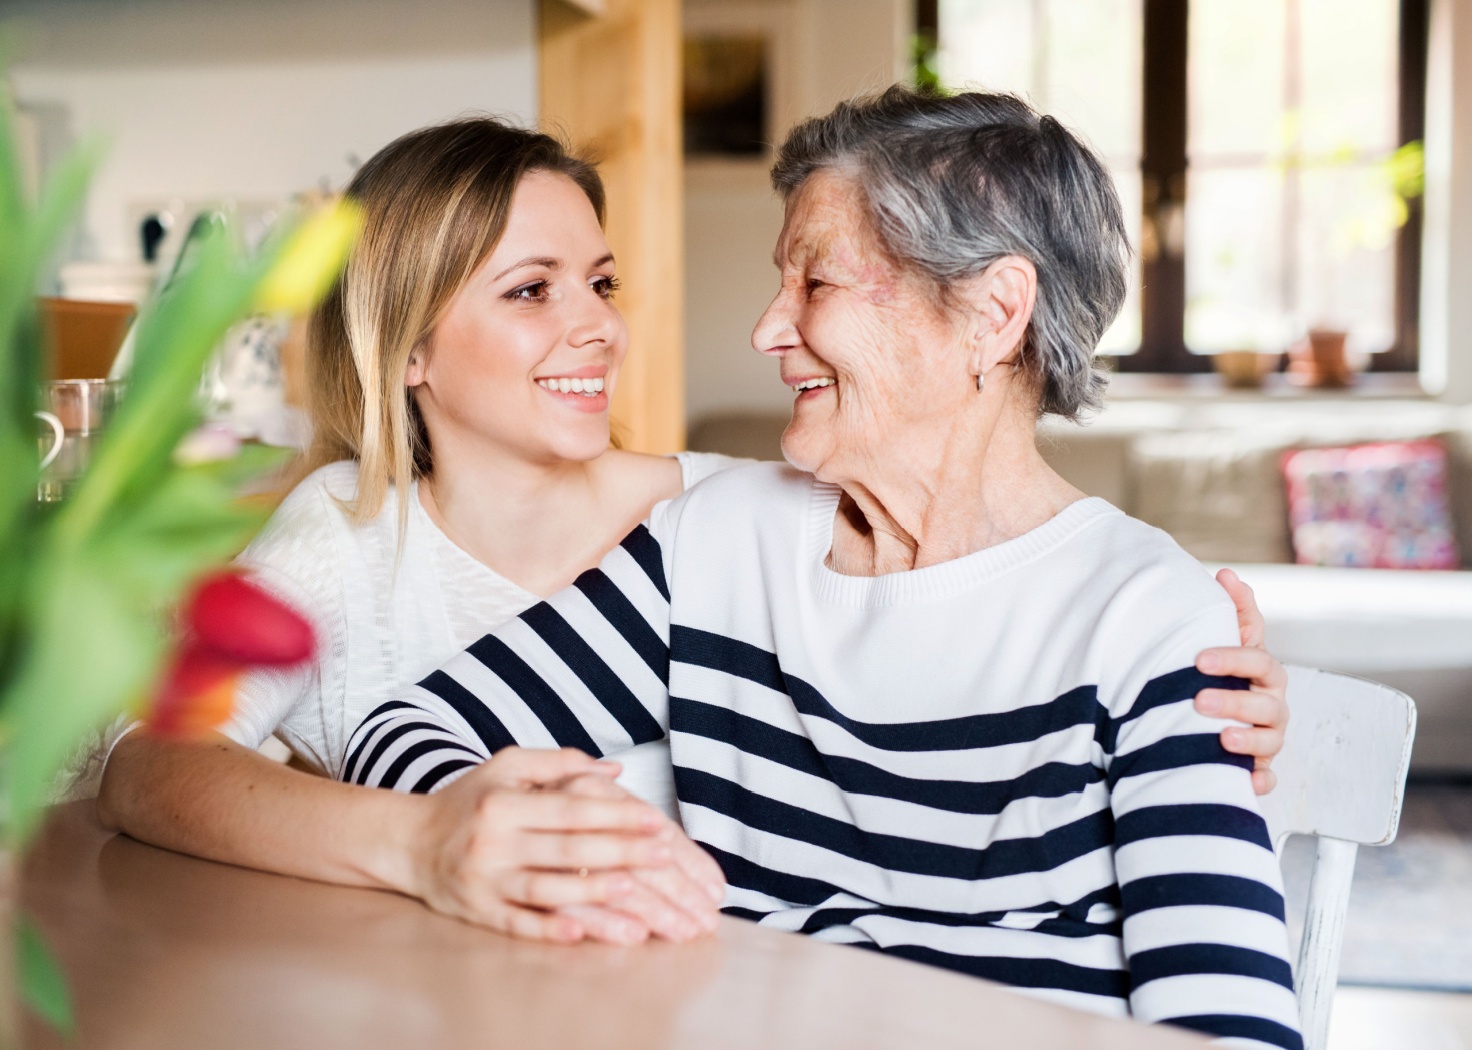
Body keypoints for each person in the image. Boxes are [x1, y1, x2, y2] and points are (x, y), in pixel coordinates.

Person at [99, 115, 1288, 957]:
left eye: (602, 284)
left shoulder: (728, 510)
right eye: (529, 290)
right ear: (403, 346)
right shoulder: (714, 536)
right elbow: (165, 759)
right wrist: (445, 836)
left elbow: (1220, 997)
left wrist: (1193, 688)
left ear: (993, 314)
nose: (600, 331)